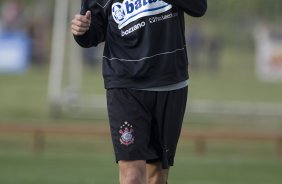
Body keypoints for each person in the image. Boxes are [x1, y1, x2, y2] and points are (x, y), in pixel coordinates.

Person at [71, 0, 207, 183]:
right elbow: (95, 31)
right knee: (132, 176)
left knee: (157, 177)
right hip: (125, 84)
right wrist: (83, 30)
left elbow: (198, 7)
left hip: (169, 80)